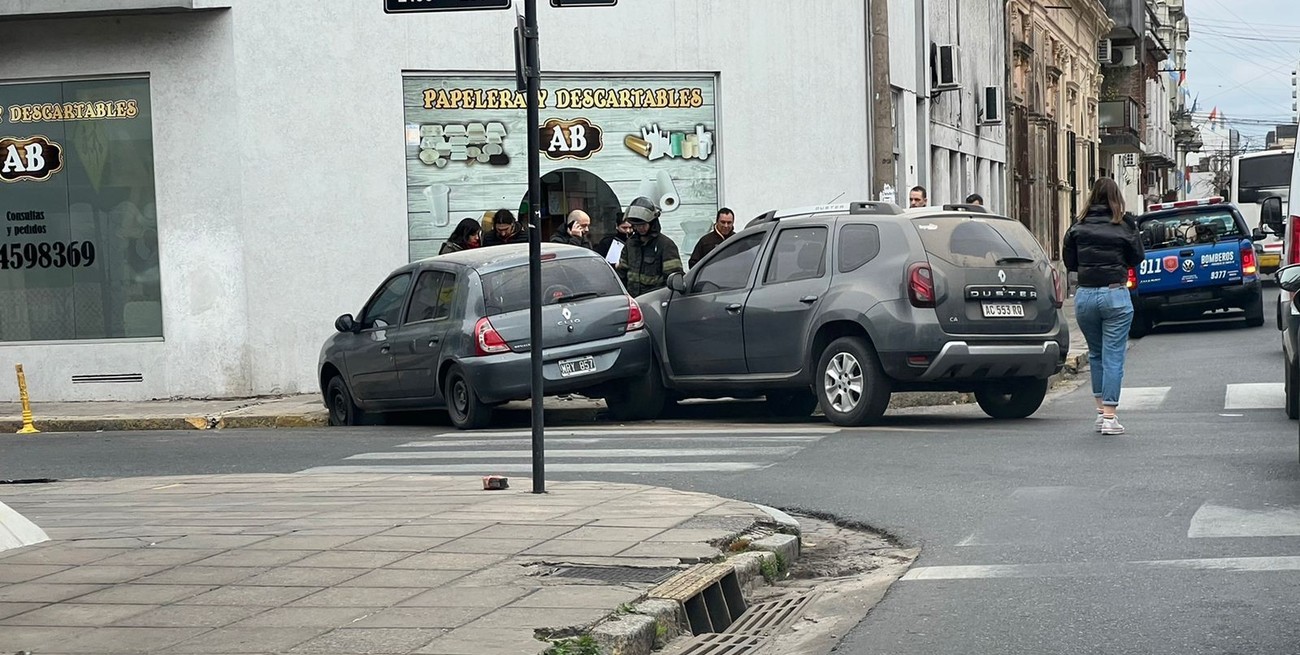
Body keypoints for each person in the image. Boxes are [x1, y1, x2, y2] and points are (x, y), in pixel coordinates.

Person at [1062, 177, 1144, 436]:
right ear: (1116, 197)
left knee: (1096, 354)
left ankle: (1100, 413)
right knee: (1113, 356)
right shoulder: (1125, 224)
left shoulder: (1077, 226)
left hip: (1085, 295)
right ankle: (1110, 417)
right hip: (1114, 294)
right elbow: (1137, 257)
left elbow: (1070, 262)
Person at [617, 196, 683, 296]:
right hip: (633, 299)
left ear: (652, 223)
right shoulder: (630, 244)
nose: (640, 228)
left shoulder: (665, 245)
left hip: (656, 299)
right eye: (637, 225)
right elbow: (622, 273)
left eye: (643, 224)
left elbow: (673, 278)